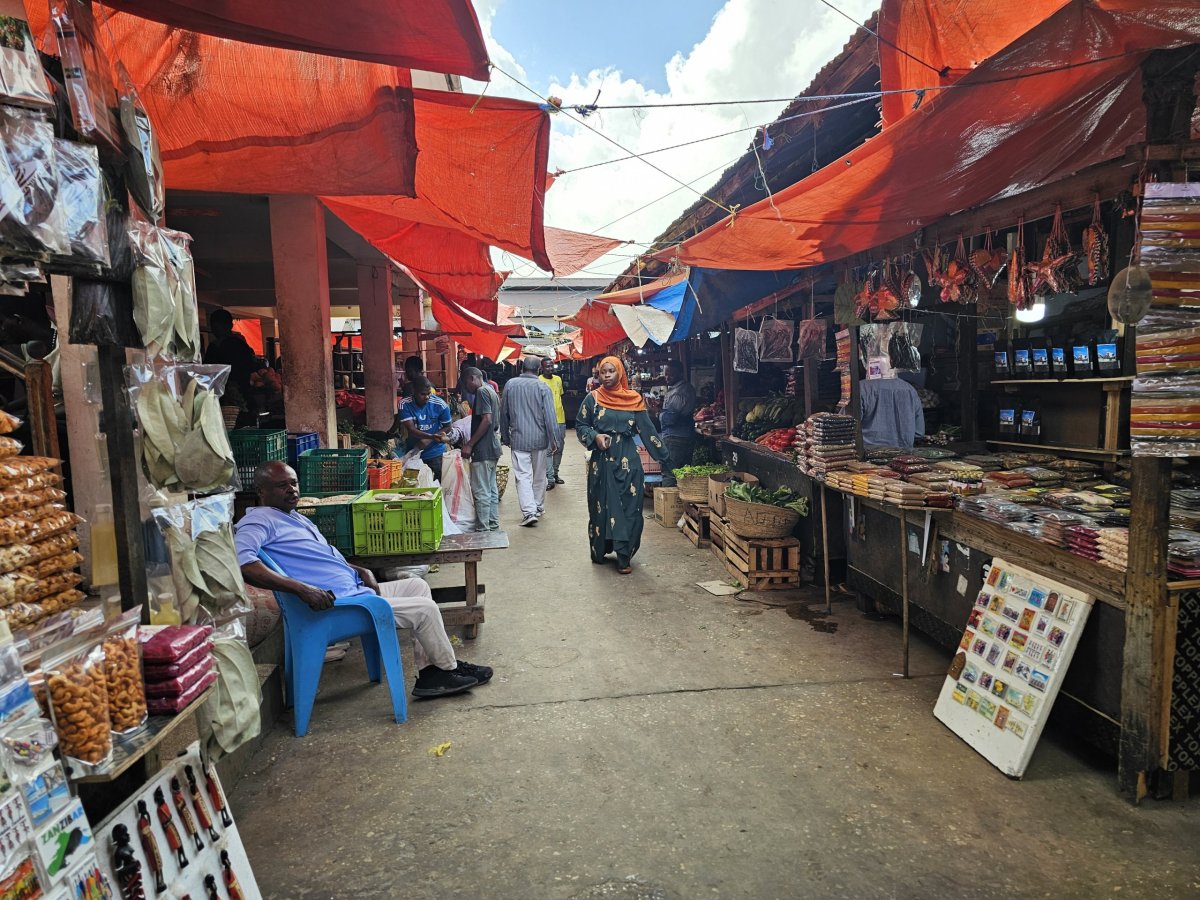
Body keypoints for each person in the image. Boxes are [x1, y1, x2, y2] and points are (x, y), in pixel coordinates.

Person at [235, 461, 491, 699]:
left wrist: (359, 569)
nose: (291, 490)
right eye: (282, 485)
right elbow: (243, 561)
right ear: (261, 490)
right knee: (425, 609)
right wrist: (302, 589)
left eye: (294, 483)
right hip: (338, 606)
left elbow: (326, 558)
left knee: (417, 585)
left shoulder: (294, 517)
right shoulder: (258, 520)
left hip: (354, 591)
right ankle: (446, 668)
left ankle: (434, 669)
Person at [576, 356, 671, 574]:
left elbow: (648, 432)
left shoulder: (634, 399)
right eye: (603, 372)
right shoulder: (592, 399)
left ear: (620, 373)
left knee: (630, 508)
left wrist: (666, 459)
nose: (607, 375)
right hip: (602, 462)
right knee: (602, 506)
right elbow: (581, 425)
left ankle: (624, 555)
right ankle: (601, 548)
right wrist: (595, 436)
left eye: (611, 371)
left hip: (628, 460)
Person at [498, 356, 559, 527]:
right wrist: (554, 439)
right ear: (539, 369)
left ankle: (529, 511)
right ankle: (537, 507)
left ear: (522, 367)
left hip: (518, 438)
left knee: (523, 476)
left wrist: (505, 435)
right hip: (540, 439)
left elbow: (504, 413)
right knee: (539, 475)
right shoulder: (542, 386)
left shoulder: (510, 384)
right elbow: (550, 416)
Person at [459, 367, 501, 532]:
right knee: (490, 489)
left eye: (465, 383)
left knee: (481, 491)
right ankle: (492, 523)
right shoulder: (491, 391)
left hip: (483, 449)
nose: (466, 388)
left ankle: (484, 527)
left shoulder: (482, 392)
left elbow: (487, 420)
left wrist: (470, 444)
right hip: (492, 447)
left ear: (472, 378)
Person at [204, 309, 258, 424]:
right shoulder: (241, 344)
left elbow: (208, 372)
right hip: (242, 393)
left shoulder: (216, 346)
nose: (213, 329)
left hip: (226, 396)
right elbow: (253, 366)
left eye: (215, 325)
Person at [396, 376, 453, 482]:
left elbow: (448, 426)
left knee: (437, 486)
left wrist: (430, 439)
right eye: (422, 394)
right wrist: (430, 436)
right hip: (414, 454)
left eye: (428, 393)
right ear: (414, 391)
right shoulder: (404, 404)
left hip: (436, 453)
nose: (426, 397)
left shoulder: (440, 404)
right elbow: (411, 429)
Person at [859, 374, 925, 449]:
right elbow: (919, 432)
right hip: (903, 456)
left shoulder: (861, 388)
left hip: (868, 454)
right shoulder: (910, 389)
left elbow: (849, 427)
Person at [658, 361, 697, 487]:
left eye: (671, 375)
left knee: (670, 473)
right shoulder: (681, 388)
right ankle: (681, 504)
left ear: (680, 373)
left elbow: (670, 419)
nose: (667, 378)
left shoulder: (680, 392)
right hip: (684, 437)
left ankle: (668, 505)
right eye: (666, 374)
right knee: (683, 474)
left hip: (675, 439)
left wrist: (657, 413)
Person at [539, 358, 567, 490]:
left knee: (559, 448)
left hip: (560, 419)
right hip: (545, 421)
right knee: (549, 450)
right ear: (542, 368)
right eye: (547, 367)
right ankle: (550, 478)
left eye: (551, 366)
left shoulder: (558, 379)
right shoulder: (538, 381)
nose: (550, 369)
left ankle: (555, 473)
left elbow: (560, 396)